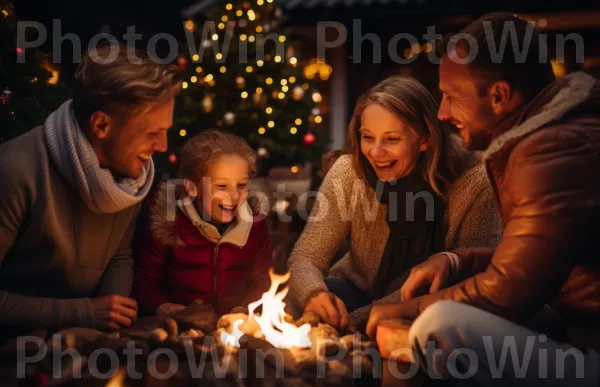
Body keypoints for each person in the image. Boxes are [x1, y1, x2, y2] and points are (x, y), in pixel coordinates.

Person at [366, 13, 600, 387]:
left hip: (591, 355)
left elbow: (509, 291)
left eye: (451, 97)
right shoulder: (553, 135)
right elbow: (538, 254)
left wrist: (407, 309)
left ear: (499, 97)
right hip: (579, 332)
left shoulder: (554, 148)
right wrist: (460, 261)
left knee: (437, 325)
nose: (442, 113)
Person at [288, 76, 503, 331]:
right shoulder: (350, 170)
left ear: (425, 139)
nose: (376, 153)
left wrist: (354, 322)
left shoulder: (475, 181)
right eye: (368, 137)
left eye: (391, 140)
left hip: (433, 305)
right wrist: (314, 295)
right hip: (355, 289)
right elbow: (307, 255)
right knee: (299, 301)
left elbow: (467, 280)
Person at [0, 44, 183, 341]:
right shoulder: (16, 172)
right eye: (151, 133)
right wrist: (84, 313)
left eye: (165, 130)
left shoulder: (130, 176)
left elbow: (119, 256)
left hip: (83, 342)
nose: (162, 146)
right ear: (101, 124)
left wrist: (111, 317)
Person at [133, 130, 272, 317]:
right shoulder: (167, 224)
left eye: (241, 185)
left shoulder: (255, 227)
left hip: (234, 331)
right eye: (222, 186)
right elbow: (143, 282)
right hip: (179, 330)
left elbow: (263, 281)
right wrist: (163, 307)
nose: (234, 196)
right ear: (192, 188)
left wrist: (243, 310)